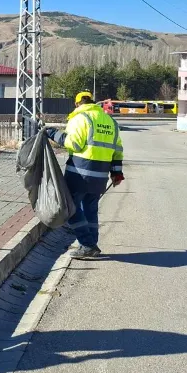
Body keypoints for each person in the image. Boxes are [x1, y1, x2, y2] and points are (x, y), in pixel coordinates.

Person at [46, 91, 124, 259]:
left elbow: (73, 143)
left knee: (70, 208)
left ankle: (87, 244)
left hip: (80, 173)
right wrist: (117, 172)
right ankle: (91, 245)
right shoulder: (110, 121)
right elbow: (117, 150)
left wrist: (53, 134)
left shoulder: (80, 118)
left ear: (77, 104)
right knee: (90, 209)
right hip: (101, 175)